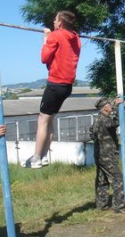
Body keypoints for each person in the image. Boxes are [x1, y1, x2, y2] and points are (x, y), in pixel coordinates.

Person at [22, 11, 81, 168]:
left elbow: (44, 58)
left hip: (55, 84)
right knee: (49, 119)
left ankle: (36, 158)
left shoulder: (55, 35)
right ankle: (44, 156)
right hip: (67, 86)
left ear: (60, 22)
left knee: (42, 119)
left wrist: (46, 38)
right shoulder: (76, 38)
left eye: (55, 19)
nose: (53, 22)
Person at [91, 97, 124, 213]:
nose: (111, 106)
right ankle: (118, 206)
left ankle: (101, 205)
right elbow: (116, 122)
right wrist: (117, 107)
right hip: (107, 155)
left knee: (102, 180)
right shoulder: (104, 120)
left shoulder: (97, 119)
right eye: (109, 105)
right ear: (105, 108)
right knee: (118, 178)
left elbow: (91, 133)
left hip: (99, 154)